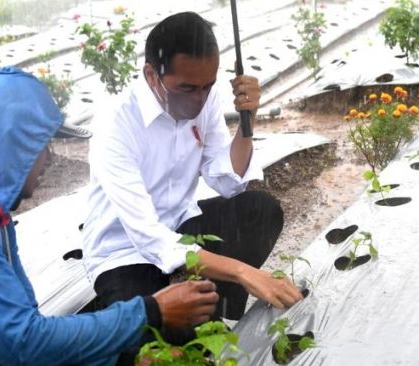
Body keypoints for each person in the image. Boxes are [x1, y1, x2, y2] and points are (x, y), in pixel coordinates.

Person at [0, 67, 219, 366]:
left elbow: (27, 327)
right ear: (17, 143)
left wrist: (125, 358)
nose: (50, 159)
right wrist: (150, 311)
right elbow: (22, 346)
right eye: (44, 145)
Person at [81, 11, 304, 362]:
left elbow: (225, 179)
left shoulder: (203, 98)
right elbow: (148, 237)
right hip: (125, 253)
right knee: (154, 347)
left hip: (183, 231)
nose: (199, 100)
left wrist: (248, 123)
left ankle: (225, 310)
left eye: (208, 87)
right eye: (187, 88)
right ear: (152, 74)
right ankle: (201, 302)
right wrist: (245, 272)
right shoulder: (117, 122)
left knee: (259, 210)